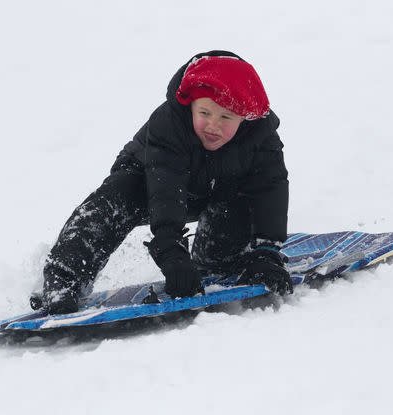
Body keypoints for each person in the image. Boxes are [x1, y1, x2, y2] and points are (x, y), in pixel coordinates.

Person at [35, 50, 293, 315]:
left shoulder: (261, 136)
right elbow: (166, 187)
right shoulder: (169, 123)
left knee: (241, 202)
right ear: (190, 105)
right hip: (148, 180)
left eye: (225, 117)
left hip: (217, 188)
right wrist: (170, 250)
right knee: (114, 200)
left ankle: (218, 260)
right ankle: (64, 280)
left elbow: (270, 188)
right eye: (205, 112)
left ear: (246, 117)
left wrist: (266, 252)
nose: (212, 125)